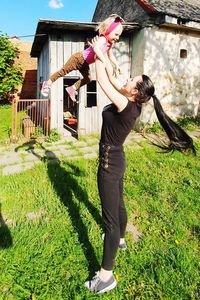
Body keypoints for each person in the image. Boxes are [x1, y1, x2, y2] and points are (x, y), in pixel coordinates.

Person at [84, 38, 196, 294]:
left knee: (109, 222)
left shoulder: (126, 105)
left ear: (136, 92)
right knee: (119, 204)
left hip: (110, 165)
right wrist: (107, 53)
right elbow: (113, 78)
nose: (126, 79)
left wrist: (99, 53)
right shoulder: (130, 102)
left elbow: (103, 81)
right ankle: (120, 240)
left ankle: (106, 276)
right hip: (118, 160)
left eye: (130, 80)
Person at [40, 14, 124, 101]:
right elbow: (96, 48)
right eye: (116, 34)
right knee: (63, 71)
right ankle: (47, 83)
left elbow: (110, 55)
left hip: (85, 63)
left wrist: (117, 65)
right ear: (107, 30)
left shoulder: (110, 43)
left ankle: (72, 88)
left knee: (88, 79)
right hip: (78, 58)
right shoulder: (103, 39)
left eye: (119, 36)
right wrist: (104, 60)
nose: (117, 38)